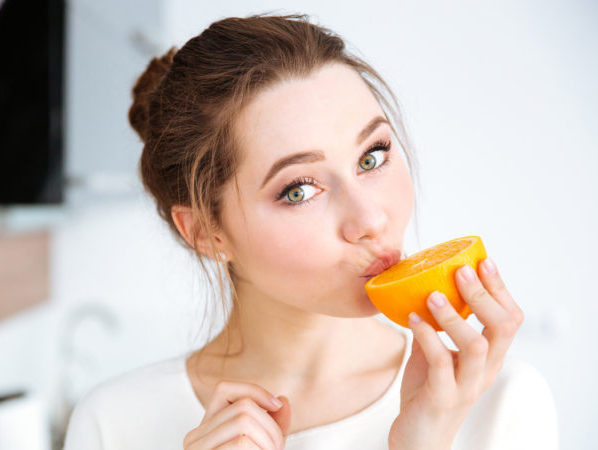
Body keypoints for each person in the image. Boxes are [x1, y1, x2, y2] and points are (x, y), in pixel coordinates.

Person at [63, 14, 557, 450]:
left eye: (372, 157)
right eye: (299, 190)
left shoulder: (498, 403)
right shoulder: (115, 425)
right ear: (206, 232)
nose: (370, 220)